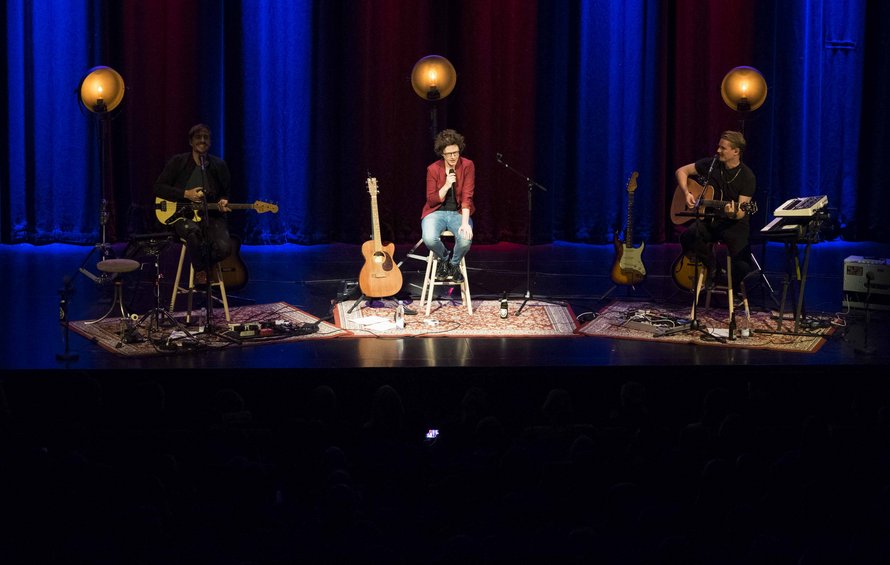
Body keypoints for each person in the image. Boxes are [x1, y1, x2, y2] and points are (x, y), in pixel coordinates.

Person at [676, 130, 755, 288]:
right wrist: (686, 193)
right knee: (688, 236)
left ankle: (732, 289)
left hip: (734, 225)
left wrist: (732, 213)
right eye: (719, 146)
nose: (718, 150)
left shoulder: (747, 176)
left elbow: (741, 211)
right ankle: (713, 267)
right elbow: (681, 171)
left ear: (736, 151)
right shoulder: (712, 164)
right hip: (712, 220)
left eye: (723, 148)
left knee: (743, 266)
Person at [154, 123, 232, 285]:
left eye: (206, 137)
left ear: (210, 142)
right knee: (193, 233)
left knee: (224, 249)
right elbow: (158, 188)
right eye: (198, 137)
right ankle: (201, 271)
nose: (202, 140)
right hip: (181, 215)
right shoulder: (178, 162)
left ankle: (204, 264)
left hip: (210, 216)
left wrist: (224, 200)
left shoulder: (219, 165)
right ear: (191, 142)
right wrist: (186, 194)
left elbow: (226, 192)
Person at [421, 129, 475, 282]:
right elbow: (431, 200)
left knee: (465, 240)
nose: (453, 157)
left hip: (458, 213)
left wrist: (465, 223)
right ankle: (444, 258)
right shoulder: (433, 169)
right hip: (435, 212)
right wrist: (446, 185)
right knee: (429, 238)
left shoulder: (468, 165)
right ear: (442, 154)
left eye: (456, 153)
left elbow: (467, 196)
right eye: (449, 154)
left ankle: (453, 264)